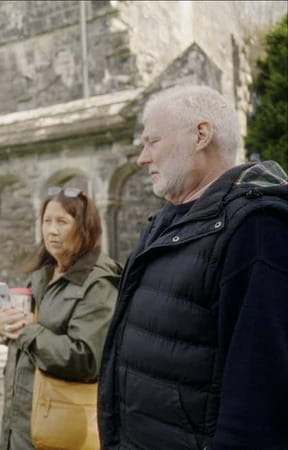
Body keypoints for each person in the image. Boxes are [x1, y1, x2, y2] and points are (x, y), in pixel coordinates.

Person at [98, 85, 288, 449]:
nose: (141, 158)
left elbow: (258, 403)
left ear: (200, 135)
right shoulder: (166, 224)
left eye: (152, 141)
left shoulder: (257, 229)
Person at [0, 187, 122, 449]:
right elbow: (24, 329)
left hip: (61, 426)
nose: (51, 230)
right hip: (21, 423)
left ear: (84, 227)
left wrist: (28, 331)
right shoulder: (43, 273)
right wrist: (0, 327)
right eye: (47, 221)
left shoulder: (98, 282)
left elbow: (86, 358)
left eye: (62, 222)